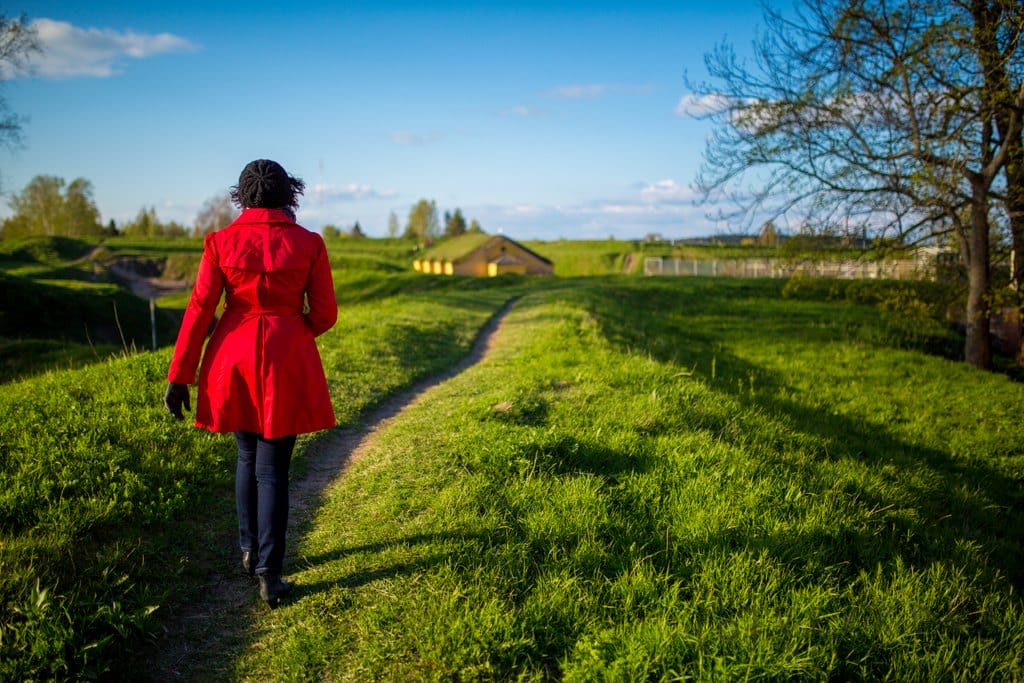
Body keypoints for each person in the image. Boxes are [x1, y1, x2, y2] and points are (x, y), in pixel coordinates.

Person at [163, 159, 337, 607]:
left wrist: (180, 375)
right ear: (288, 194)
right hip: (286, 357)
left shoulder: (220, 242)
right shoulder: (309, 243)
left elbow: (201, 307)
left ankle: (248, 551)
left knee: (246, 454)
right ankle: (270, 574)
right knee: (273, 467)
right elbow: (324, 314)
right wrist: (292, 334)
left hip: (231, 358)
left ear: (242, 196)